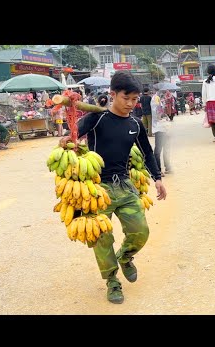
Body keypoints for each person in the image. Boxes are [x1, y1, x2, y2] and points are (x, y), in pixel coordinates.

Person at [60, 70, 167, 304]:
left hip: (124, 185)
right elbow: (73, 136)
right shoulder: (96, 119)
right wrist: (68, 140)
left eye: (135, 99)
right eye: (125, 98)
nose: (130, 104)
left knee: (141, 231)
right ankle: (112, 281)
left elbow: (147, 153)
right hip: (97, 190)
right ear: (113, 94)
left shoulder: (135, 124)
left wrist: (157, 177)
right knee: (101, 238)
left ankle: (126, 256)